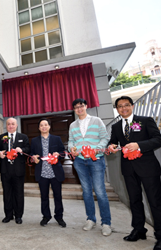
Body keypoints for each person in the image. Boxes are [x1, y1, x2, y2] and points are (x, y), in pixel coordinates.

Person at [108, 96, 161, 250]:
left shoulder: (145, 120)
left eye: (126, 105)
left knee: (155, 201)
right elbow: (113, 141)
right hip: (128, 169)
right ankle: (139, 230)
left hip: (148, 168)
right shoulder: (116, 126)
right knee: (134, 201)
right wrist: (111, 146)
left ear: (132, 106)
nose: (124, 108)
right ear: (117, 109)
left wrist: (138, 145)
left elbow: (158, 140)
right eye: (120, 106)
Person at [68, 98, 112, 236]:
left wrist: (97, 149)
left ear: (86, 106)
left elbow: (105, 138)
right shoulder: (72, 125)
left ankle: (106, 223)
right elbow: (71, 141)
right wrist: (72, 149)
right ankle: (91, 219)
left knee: (100, 191)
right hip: (80, 161)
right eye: (76, 107)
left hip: (96, 159)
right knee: (86, 191)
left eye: (81, 106)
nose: (79, 109)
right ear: (74, 110)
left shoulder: (96, 120)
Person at [30, 118, 66, 227]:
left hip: (55, 173)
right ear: (39, 128)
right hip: (42, 173)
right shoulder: (35, 141)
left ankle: (59, 217)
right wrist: (33, 158)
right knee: (44, 197)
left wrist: (58, 154)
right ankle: (46, 216)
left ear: (49, 126)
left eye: (46, 125)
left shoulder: (56, 139)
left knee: (57, 196)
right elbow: (31, 155)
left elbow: (63, 153)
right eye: (41, 125)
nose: (44, 127)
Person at [0, 117, 30, 224]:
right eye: (8, 124)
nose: (11, 126)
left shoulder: (23, 137)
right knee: (7, 193)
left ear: (16, 125)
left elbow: (28, 149)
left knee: (19, 194)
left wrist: (22, 150)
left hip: (18, 170)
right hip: (5, 170)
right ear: (6, 125)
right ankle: (8, 215)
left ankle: (18, 216)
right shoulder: (2, 137)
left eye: (13, 124)